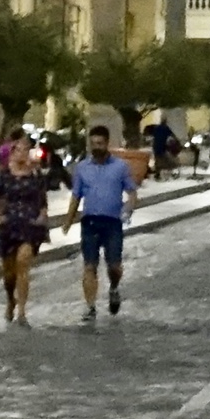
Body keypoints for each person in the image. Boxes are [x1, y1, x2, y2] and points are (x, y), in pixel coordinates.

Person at [69, 124, 140, 322]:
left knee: (114, 266)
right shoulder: (82, 168)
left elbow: (132, 193)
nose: (96, 147)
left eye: (100, 143)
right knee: (89, 266)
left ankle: (114, 287)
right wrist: (68, 221)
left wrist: (128, 209)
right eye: (93, 144)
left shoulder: (120, 167)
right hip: (90, 222)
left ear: (107, 143)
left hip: (112, 223)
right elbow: (75, 196)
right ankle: (90, 307)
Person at [0, 134, 55, 324]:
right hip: (10, 225)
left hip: (30, 224)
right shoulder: (4, 176)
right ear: (12, 152)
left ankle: (23, 311)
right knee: (9, 273)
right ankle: (11, 300)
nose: (23, 153)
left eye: (26, 149)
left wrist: (42, 216)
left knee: (23, 262)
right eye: (19, 149)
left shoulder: (35, 175)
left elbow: (42, 200)